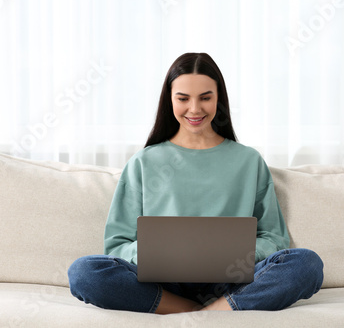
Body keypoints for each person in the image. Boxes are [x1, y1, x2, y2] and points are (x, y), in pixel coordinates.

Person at [68, 52, 323, 314]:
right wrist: (162, 254)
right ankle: (192, 309)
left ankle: (217, 308)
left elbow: (274, 238)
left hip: (232, 280)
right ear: (170, 100)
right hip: (162, 283)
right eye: (183, 98)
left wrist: (233, 254)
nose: (194, 109)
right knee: (84, 272)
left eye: (205, 98)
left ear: (218, 99)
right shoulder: (143, 162)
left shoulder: (248, 160)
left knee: (307, 264)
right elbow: (117, 244)